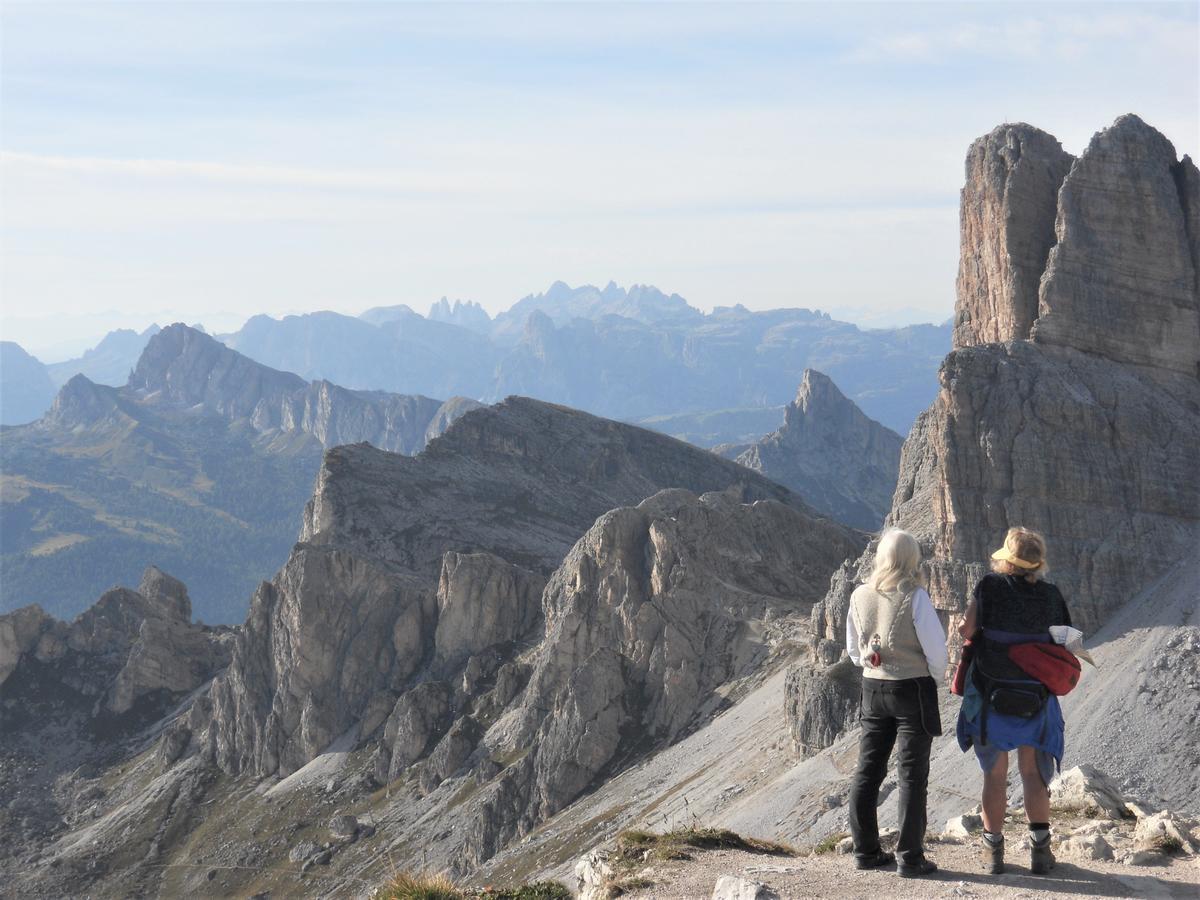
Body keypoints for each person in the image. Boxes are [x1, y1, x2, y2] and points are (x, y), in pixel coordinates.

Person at [955, 526, 1072, 876]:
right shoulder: (1052, 595)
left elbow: (966, 630)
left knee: (994, 776)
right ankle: (1040, 854)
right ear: (1037, 564)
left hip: (992, 697)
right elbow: (1068, 641)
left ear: (1007, 560)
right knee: (1033, 772)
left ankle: (993, 855)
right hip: (1035, 697)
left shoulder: (989, 586)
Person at [846, 528, 947, 878]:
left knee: (868, 769)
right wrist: (934, 678)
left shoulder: (859, 595)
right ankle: (910, 857)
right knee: (911, 775)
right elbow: (936, 651)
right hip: (912, 690)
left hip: (873, 690)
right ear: (911, 560)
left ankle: (865, 851)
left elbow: (853, 651)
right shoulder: (915, 596)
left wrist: (873, 661)